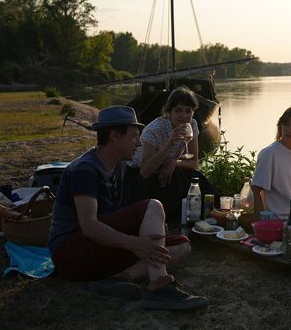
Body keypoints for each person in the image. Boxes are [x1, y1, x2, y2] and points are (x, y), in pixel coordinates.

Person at [48, 105, 208, 311]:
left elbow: (118, 215)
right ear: (114, 136)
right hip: (71, 254)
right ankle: (159, 287)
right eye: (134, 136)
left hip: (100, 248)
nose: (139, 142)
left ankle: (118, 279)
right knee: (153, 206)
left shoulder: (119, 167)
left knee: (181, 246)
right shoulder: (85, 170)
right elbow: (88, 226)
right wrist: (135, 243)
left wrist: (147, 236)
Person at [125, 86, 218, 227]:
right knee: (176, 180)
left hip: (167, 167)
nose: (184, 115)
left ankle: (212, 214)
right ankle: (177, 221)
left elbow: (193, 162)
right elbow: (145, 171)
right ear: (169, 112)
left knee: (196, 178)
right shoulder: (155, 129)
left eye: (188, 111)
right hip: (139, 175)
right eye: (178, 110)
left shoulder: (191, 125)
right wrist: (170, 142)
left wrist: (173, 162)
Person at [251, 106, 291, 219]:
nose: (289, 129)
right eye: (286, 124)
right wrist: (261, 225)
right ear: (280, 125)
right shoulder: (269, 153)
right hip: (278, 221)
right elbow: (256, 190)